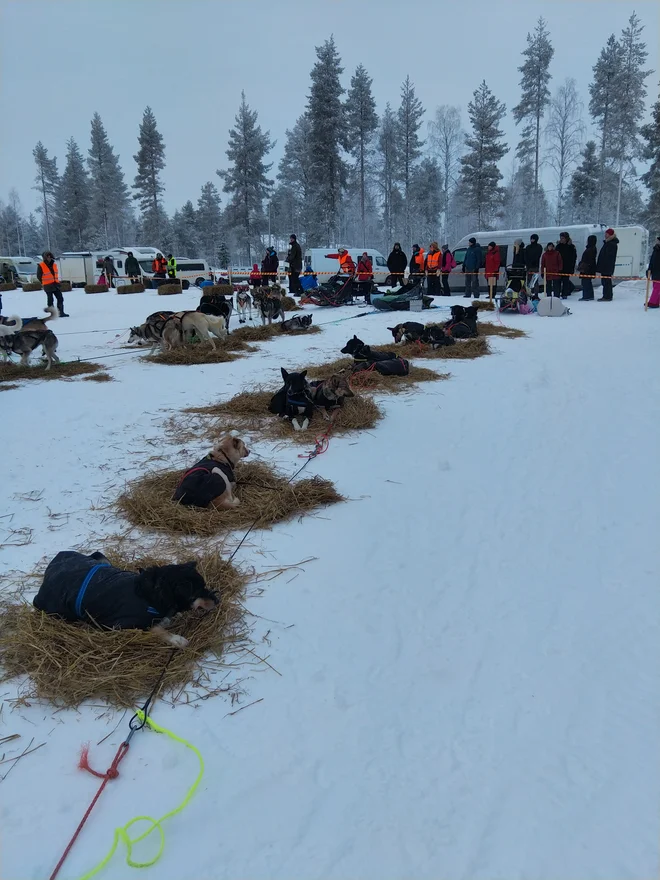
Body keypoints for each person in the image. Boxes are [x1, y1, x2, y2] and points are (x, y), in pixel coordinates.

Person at [37, 251, 68, 317]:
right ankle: (53, 313)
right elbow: (39, 276)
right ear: (44, 258)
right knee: (50, 300)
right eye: (47, 257)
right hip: (48, 285)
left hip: (55, 284)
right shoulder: (41, 265)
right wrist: (43, 282)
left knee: (60, 298)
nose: (49, 258)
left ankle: (60, 312)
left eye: (50, 256)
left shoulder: (54, 264)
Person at [596, 228, 619, 301]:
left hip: (607, 266)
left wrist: (603, 264)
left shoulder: (611, 244)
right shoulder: (608, 243)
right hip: (605, 266)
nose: (605, 235)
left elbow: (608, 256)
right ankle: (606, 295)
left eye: (607, 234)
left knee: (606, 282)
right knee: (605, 282)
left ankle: (607, 296)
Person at [556, 232, 577, 298]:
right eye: (561, 238)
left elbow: (573, 258)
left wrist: (572, 268)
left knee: (566, 281)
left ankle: (565, 294)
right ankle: (558, 293)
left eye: (563, 238)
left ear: (566, 238)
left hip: (567, 267)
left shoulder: (571, 247)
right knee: (558, 282)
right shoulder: (558, 246)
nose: (561, 239)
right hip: (559, 267)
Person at [577, 235, 598, 301]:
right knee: (587, 282)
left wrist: (582, 265)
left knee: (585, 282)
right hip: (590, 268)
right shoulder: (593, 248)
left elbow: (587, 259)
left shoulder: (590, 249)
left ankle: (586, 296)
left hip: (587, 269)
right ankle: (589, 295)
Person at [647, 235, 660, 308]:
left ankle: (653, 302)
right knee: (656, 286)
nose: (657, 242)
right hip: (655, 271)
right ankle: (656, 302)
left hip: (658, 271)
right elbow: (652, 260)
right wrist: (649, 269)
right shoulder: (656, 249)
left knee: (657, 287)